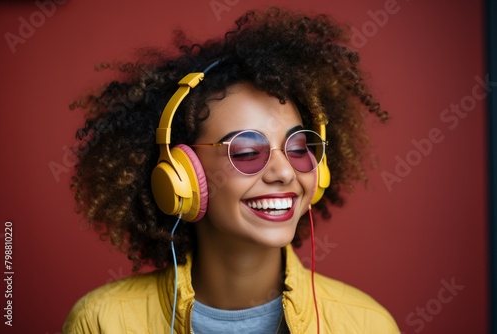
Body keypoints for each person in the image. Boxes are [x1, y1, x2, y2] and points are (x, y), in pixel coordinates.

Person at [63, 7, 400, 333]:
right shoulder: (101, 323)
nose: (284, 173)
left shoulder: (367, 325)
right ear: (182, 176)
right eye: (248, 151)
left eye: (298, 148)